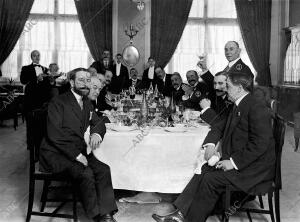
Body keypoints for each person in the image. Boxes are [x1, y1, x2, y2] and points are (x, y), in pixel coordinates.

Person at [152, 71, 275, 222]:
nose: (224, 89)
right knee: (205, 169)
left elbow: (260, 144)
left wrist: (233, 162)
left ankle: (190, 219)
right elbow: (223, 126)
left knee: (210, 179)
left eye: (228, 86)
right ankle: (181, 214)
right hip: (244, 160)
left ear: (240, 88)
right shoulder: (240, 103)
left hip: (255, 169)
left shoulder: (256, 106)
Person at [40, 68, 118, 222]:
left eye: (88, 80)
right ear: (71, 82)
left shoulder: (86, 102)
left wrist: (96, 133)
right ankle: (96, 216)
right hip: (56, 153)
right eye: (81, 80)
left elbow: (99, 122)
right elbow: (55, 136)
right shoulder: (59, 102)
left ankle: (106, 214)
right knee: (86, 173)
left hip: (77, 150)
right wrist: (77, 156)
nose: (85, 83)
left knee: (103, 169)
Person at [20, 50, 52, 148]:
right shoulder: (25, 68)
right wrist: (36, 79)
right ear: (31, 57)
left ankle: (40, 145)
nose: (37, 57)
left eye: (38, 55)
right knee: (30, 124)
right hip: (30, 100)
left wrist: (51, 81)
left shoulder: (45, 69)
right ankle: (30, 144)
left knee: (41, 124)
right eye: (35, 56)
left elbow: (47, 86)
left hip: (42, 101)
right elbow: (23, 81)